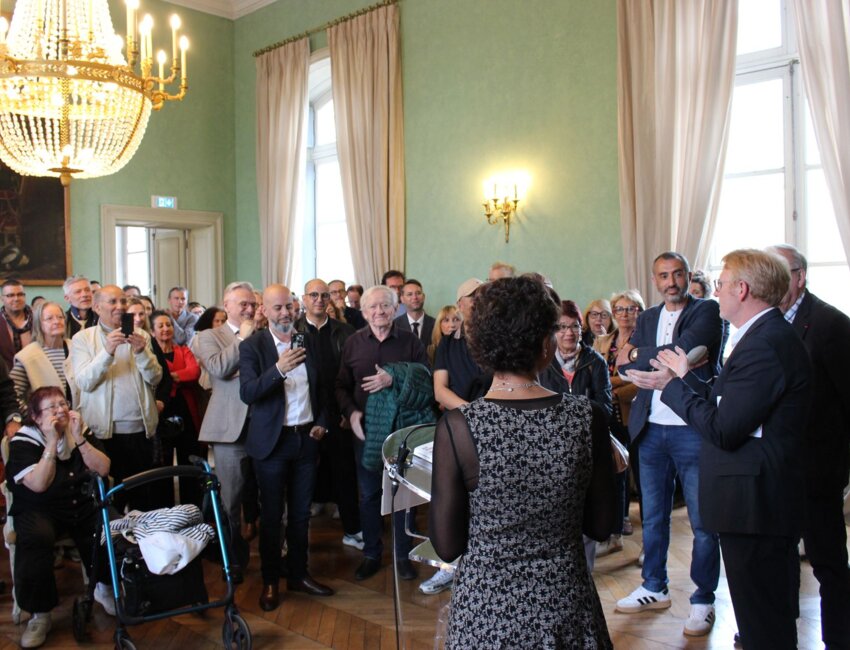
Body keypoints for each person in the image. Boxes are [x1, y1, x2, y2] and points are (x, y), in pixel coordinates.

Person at [628, 249, 812, 649]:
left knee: (764, 617)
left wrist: (671, 385)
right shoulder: (764, 336)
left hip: (756, 505)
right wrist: (683, 379)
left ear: (742, 290)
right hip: (754, 501)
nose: (717, 290)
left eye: (723, 282)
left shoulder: (765, 344)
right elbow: (725, 403)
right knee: (761, 614)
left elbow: (724, 429)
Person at [430, 276, 617, 649]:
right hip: (565, 605)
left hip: (485, 611)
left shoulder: (459, 426)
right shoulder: (587, 417)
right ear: (546, 345)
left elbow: (447, 546)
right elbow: (602, 525)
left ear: (480, 346)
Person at [615, 252, 723, 638]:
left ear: (686, 275)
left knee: (703, 522)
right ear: (655, 280)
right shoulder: (646, 317)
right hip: (651, 430)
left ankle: (703, 600)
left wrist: (639, 356)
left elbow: (684, 354)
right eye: (663, 275)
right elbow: (623, 366)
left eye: (677, 274)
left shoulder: (707, 310)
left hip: (692, 427)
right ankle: (653, 586)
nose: (671, 281)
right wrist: (640, 360)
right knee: (654, 516)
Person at [769, 244, 850, 648]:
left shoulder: (832, 324)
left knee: (828, 562)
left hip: (817, 468)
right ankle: (779, 632)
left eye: (781, 271)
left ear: (799, 276)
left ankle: (838, 637)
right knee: (779, 560)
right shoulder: (765, 322)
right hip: (775, 466)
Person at [240, 284, 334, 611]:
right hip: (272, 443)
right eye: (277, 308)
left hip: (305, 439)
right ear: (264, 310)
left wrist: (321, 420)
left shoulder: (306, 340)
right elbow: (249, 392)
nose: (285, 313)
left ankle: (298, 574)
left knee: (300, 515)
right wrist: (279, 369)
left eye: (289, 307)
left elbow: (323, 387)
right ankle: (269, 581)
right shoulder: (253, 347)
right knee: (271, 517)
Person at [5, 387, 114, 648]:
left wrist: (80, 439)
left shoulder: (79, 431)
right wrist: (52, 442)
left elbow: (104, 469)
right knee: (36, 536)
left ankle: (104, 587)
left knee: (102, 523)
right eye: (51, 407)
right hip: (39, 507)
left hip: (78, 503)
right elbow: (39, 484)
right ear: (36, 417)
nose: (60, 410)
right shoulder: (24, 440)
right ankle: (39, 614)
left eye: (62, 404)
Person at [335, 285, 430, 582]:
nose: (379, 311)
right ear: (363, 312)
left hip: (402, 433)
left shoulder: (410, 342)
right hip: (364, 434)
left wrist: (395, 377)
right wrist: (351, 414)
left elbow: (425, 379)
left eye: (385, 306)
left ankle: (402, 556)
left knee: (403, 496)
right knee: (369, 496)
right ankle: (372, 554)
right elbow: (340, 385)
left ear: (395, 309)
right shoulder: (352, 343)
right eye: (373, 307)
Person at [71, 285, 162, 512]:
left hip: (140, 431)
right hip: (103, 433)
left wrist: (142, 353)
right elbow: (84, 382)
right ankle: (111, 547)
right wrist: (107, 351)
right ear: (97, 307)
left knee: (143, 500)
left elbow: (155, 378)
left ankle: (140, 546)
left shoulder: (141, 335)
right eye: (113, 302)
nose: (120, 307)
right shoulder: (83, 339)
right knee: (110, 502)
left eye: (123, 301)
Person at [539, 299, 614, 567]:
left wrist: (569, 410)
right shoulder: (542, 364)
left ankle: (585, 579)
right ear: (553, 331)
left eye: (574, 327)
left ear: (582, 330)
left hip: (587, 452)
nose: (568, 333)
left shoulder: (596, 363)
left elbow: (605, 411)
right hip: (551, 454)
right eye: (561, 327)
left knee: (585, 526)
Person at [194, 282, 256, 583]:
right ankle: (231, 560)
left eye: (251, 303)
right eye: (242, 304)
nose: (248, 309)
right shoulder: (209, 335)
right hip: (228, 428)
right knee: (230, 501)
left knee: (269, 497)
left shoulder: (265, 333)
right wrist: (243, 340)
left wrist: (237, 370)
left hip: (263, 426)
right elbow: (219, 369)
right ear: (226, 305)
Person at [295, 280, 362, 552]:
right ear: (304, 299)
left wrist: (349, 410)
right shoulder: (294, 331)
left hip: (339, 411)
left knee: (345, 474)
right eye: (314, 295)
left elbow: (354, 376)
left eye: (324, 295)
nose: (320, 300)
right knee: (302, 477)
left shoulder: (346, 332)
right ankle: (297, 540)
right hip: (304, 413)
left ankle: (353, 530)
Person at [595, 290, 645, 538]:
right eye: (620, 309)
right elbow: (597, 375)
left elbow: (642, 381)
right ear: (613, 313)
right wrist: (619, 381)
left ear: (640, 311)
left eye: (631, 308)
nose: (625, 314)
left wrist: (613, 389)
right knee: (616, 468)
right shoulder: (603, 342)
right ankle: (619, 521)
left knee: (639, 469)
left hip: (636, 413)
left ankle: (646, 530)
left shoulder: (645, 342)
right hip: (608, 415)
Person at [149, 310, 202, 505]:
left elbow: (194, 371)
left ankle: (192, 507)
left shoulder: (183, 350)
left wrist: (168, 378)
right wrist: (180, 377)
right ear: (152, 331)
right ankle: (166, 509)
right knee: (162, 462)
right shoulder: (150, 355)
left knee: (188, 458)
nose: (166, 329)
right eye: (160, 326)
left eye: (168, 324)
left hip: (185, 410)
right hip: (162, 411)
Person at [433, 279, 490, 411]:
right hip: (458, 418)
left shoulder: (498, 339)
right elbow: (440, 390)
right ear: (459, 305)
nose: (479, 300)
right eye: (473, 296)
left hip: (494, 418)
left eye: (483, 296)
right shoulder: (447, 344)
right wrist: (472, 412)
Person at [10, 301, 76, 413]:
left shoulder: (77, 347)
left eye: (60, 317)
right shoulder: (28, 356)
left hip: (80, 422)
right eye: (49, 318)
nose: (56, 321)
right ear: (39, 324)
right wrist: (32, 417)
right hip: (46, 425)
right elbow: (12, 395)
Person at [0, 279, 34, 370]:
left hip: (37, 377)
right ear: (2, 299)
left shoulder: (39, 319)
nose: (16, 299)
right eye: (10, 295)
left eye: (20, 294)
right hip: (6, 379)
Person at [393, 279, 435, 344]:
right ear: (402, 299)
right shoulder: (394, 326)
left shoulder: (435, 324)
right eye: (409, 294)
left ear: (423, 297)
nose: (415, 297)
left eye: (418, 293)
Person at [63, 275, 98, 339]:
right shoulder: (63, 321)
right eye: (78, 292)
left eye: (87, 290)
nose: (85, 295)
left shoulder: (101, 317)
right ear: (67, 298)